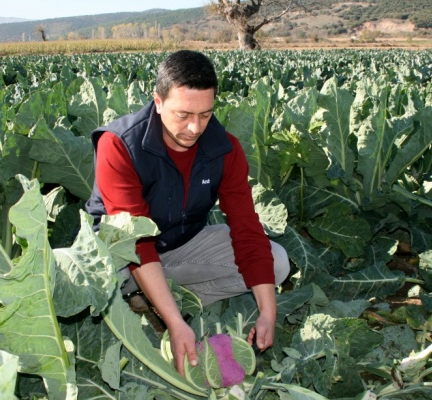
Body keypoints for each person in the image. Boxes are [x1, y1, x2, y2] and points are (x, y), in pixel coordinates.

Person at [86, 50, 289, 375]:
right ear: (158, 101)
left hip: (178, 248)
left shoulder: (225, 149)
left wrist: (268, 312)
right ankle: (158, 309)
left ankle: (158, 304)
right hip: (116, 259)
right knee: (92, 289)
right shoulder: (120, 145)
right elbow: (136, 243)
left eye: (206, 115)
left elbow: (247, 229)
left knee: (276, 262)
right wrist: (176, 323)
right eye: (183, 114)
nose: (195, 128)